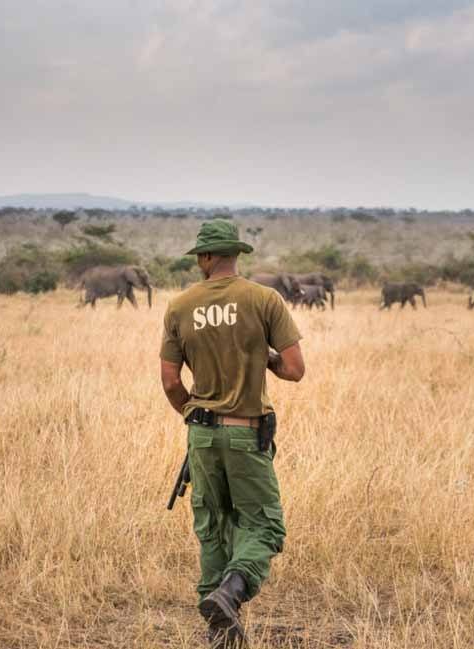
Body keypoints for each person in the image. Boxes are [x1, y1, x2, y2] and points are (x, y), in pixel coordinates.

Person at [160, 219, 305, 647]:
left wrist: (192, 413)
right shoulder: (264, 299)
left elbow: (170, 382)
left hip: (200, 435)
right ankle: (232, 590)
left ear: (206, 257)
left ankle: (218, 628)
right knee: (264, 525)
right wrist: (267, 357)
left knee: (213, 526)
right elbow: (295, 370)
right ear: (235, 255)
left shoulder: (180, 306)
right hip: (247, 431)